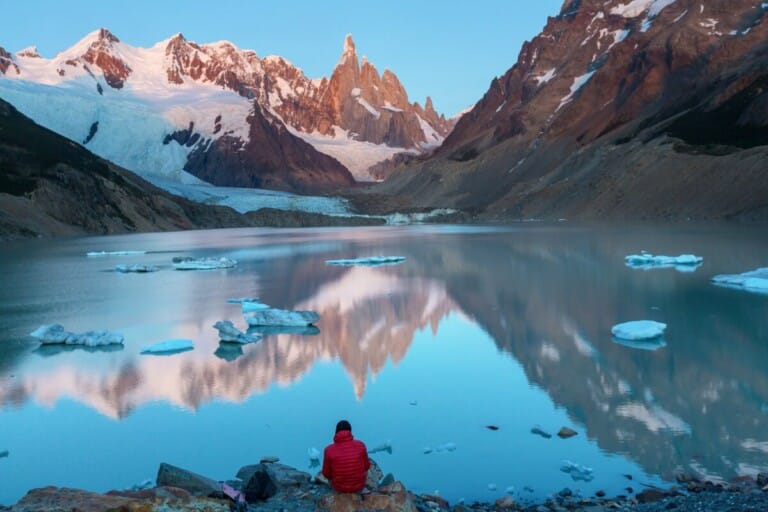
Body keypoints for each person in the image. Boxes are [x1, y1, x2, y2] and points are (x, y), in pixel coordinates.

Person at [322, 419, 371, 493]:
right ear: (350, 431)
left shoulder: (328, 450)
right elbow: (367, 466)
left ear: (336, 432)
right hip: (358, 486)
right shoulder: (361, 445)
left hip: (339, 487)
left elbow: (326, 473)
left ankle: (338, 493)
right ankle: (361, 490)